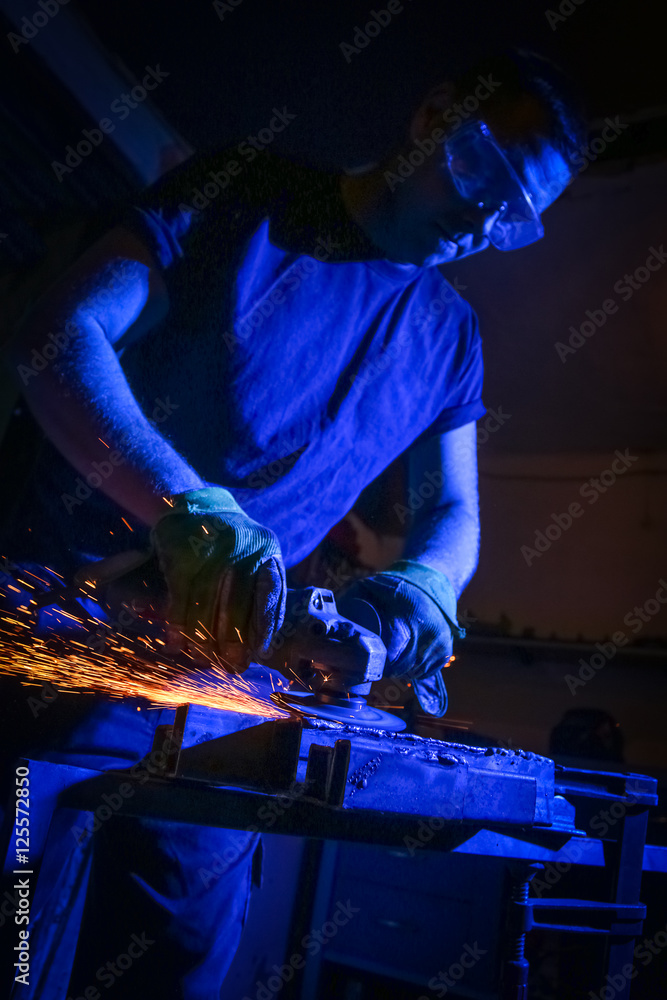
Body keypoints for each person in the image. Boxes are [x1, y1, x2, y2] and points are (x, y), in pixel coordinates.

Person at [0, 48, 585, 999]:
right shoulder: (244, 197)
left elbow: (451, 510)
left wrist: (426, 585)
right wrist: (190, 510)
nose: (484, 218)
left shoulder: (448, 337)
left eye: (513, 215)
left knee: (174, 970)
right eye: (483, 174)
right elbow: (59, 338)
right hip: (56, 637)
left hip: (218, 694)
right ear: (435, 113)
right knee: (13, 940)